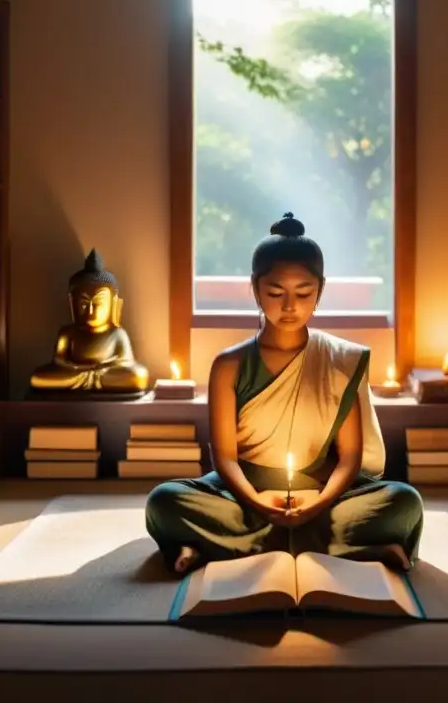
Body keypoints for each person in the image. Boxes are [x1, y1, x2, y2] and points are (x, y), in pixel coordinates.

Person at [145, 212, 424, 576]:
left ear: (320, 290)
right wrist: (259, 503)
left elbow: (350, 456)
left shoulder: (339, 361)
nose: (289, 306)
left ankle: (217, 547)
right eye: (276, 292)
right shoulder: (229, 365)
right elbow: (225, 459)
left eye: (303, 293)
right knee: (164, 502)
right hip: (243, 493)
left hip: (321, 491)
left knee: (404, 502)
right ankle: (353, 547)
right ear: (255, 287)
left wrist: (318, 503)